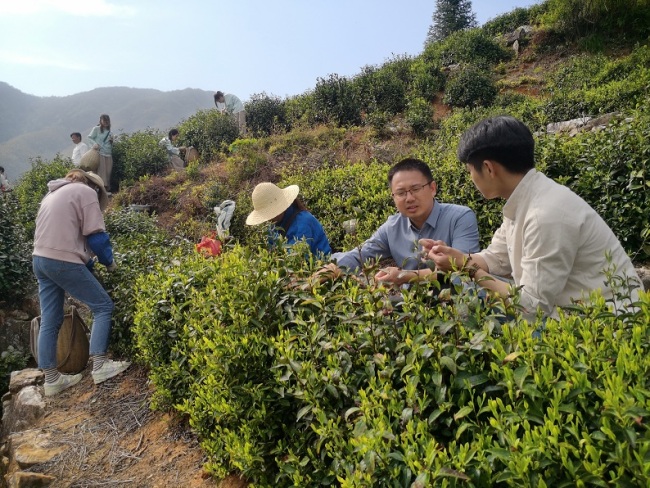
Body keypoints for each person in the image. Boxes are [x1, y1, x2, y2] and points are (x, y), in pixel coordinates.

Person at [421, 115, 642, 319]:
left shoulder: (545, 214)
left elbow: (531, 307)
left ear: (488, 168)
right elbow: (495, 258)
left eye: (470, 170)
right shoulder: (526, 198)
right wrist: (455, 258)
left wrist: (469, 271)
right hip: (570, 311)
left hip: (610, 327)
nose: (470, 178)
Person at [32, 169, 130, 396]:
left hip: (40, 260)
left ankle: (52, 380)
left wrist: (88, 265)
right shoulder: (86, 192)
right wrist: (109, 262)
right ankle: (100, 365)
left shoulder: (52, 194)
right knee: (103, 306)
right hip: (60, 260)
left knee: (50, 319)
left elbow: (66, 238)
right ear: (94, 187)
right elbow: (96, 236)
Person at [325, 158, 480, 286]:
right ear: (393, 197)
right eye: (400, 193)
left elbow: (465, 269)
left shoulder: (460, 217)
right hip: (411, 308)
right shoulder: (392, 227)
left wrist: (405, 276)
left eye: (416, 189)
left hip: (458, 305)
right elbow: (359, 255)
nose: (409, 198)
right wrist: (329, 269)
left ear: (432, 188)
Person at [246, 182, 331, 257]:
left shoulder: (302, 223)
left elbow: (297, 259)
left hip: (321, 268)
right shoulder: (273, 226)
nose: (268, 219)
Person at [87, 114, 114, 192]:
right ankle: (101, 188)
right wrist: (94, 144)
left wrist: (112, 142)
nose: (106, 122)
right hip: (100, 153)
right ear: (100, 121)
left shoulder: (110, 132)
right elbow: (89, 138)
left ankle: (106, 187)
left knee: (108, 172)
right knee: (101, 171)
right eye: (104, 120)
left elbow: (110, 144)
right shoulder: (96, 129)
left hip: (108, 154)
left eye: (107, 120)